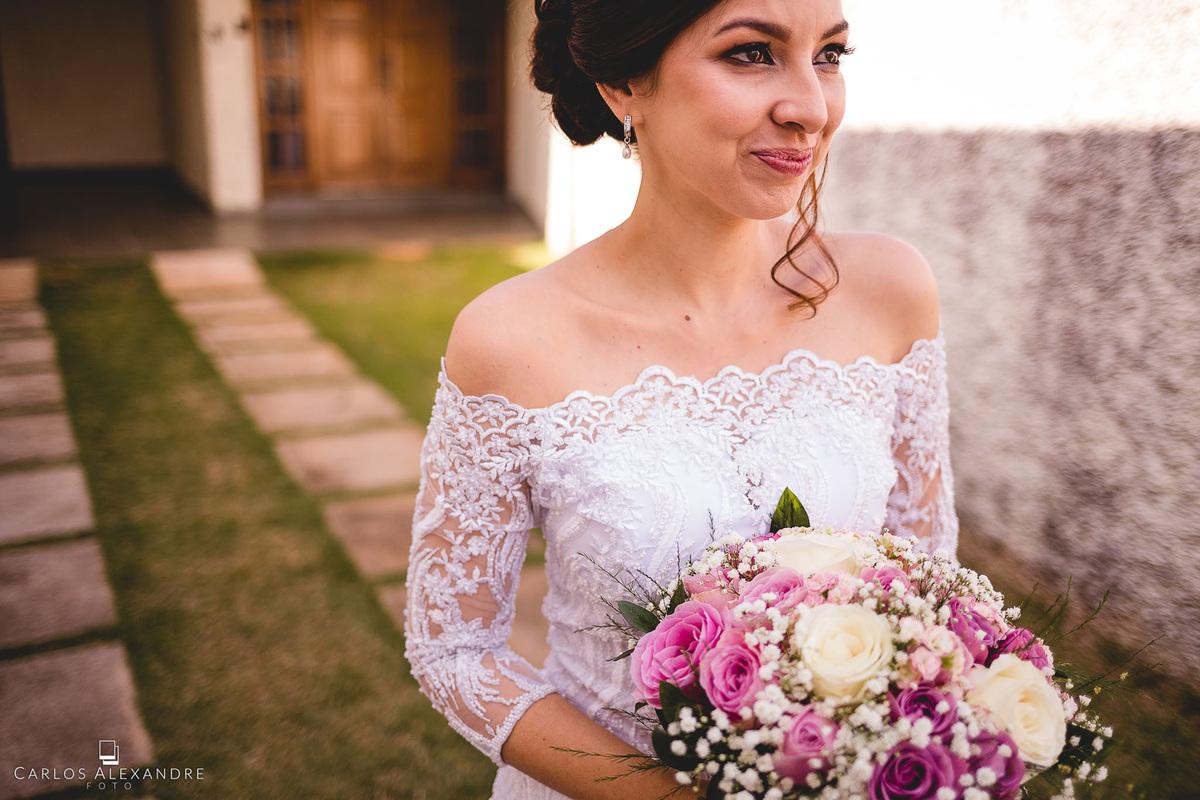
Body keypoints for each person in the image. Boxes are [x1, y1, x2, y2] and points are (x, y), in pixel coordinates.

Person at [403, 0, 958, 797]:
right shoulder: (511, 340)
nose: (810, 107)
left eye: (829, 55)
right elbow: (457, 655)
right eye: (752, 53)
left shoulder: (890, 292)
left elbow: (930, 593)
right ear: (625, 83)